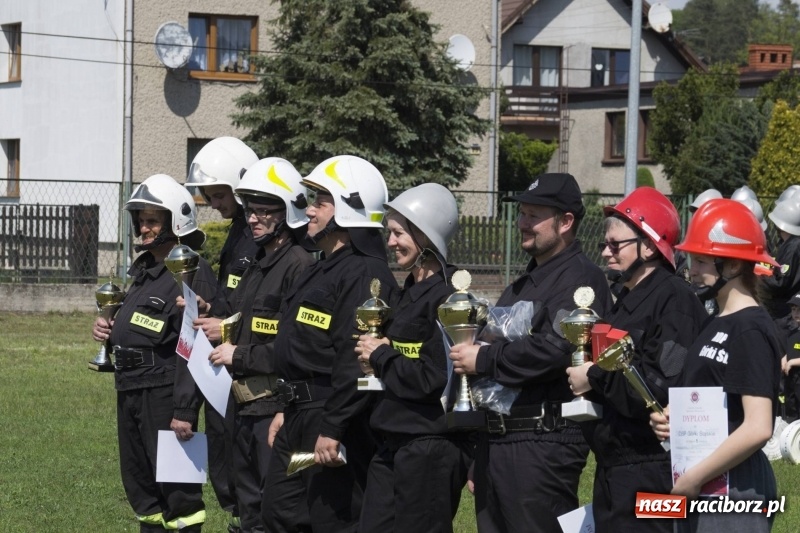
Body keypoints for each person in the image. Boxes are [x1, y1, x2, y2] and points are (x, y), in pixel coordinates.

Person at [448, 173, 612, 533]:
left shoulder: (581, 281)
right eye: (522, 213)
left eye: (534, 215)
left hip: (543, 442)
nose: (523, 223)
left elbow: (555, 349)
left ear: (566, 221)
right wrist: (483, 451)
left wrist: (484, 359)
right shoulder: (520, 285)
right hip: (500, 442)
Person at [262, 155, 398, 533]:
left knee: (332, 519)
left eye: (320, 201)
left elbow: (354, 358)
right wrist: (283, 407)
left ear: (349, 210)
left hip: (332, 417)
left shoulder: (364, 274)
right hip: (298, 413)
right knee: (280, 514)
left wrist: (334, 426)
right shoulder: (323, 266)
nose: (309, 209)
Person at [566, 186, 708, 533]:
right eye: (605, 243)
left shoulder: (674, 299)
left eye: (616, 244)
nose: (606, 252)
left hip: (654, 469)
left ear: (649, 245)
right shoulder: (626, 299)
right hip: (615, 470)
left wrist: (593, 377)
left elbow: (662, 384)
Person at [92, 174, 218, 532]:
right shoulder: (144, 269)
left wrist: (184, 410)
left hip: (164, 395)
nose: (144, 229)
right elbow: (135, 323)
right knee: (141, 489)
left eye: (152, 221)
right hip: (130, 388)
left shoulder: (190, 271)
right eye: (141, 220)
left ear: (175, 223)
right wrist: (106, 328)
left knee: (178, 494)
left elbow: (194, 345)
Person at [650, 198, 782, 533]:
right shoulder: (716, 321)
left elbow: (758, 427)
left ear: (734, 266)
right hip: (702, 478)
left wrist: (694, 477)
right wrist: (672, 418)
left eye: (701, 260)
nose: (691, 268)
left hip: (733, 485)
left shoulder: (750, 328)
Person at [202, 158, 315, 532]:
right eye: (251, 210)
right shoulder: (256, 264)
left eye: (266, 211)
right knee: (247, 511)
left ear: (288, 214)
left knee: (278, 512)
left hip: (274, 411)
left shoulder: (299, 266)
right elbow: (246, 325)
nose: (253, 219)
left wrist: (240, 354)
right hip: (242, 408)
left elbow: (294, 347)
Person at [355, 183, 472, 533]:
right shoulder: (408, 292)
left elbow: (435, 377)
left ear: (426, 237)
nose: (390, 243)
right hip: (392, 444)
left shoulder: (449, 300)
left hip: (429, 449)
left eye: (398, 233)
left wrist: (382, 356)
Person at [185, 136, 259, 532]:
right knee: (226, 453)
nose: (213, 203)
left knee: (246, 459)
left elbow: (265, 306)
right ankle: (239, 517)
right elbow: (237, 296)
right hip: (227, 361)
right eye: (208, 196)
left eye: (218, 194)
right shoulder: (236, 233)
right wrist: (214, 310)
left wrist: (227, 324)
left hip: (251, 363)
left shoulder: (262, 237)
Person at [782, 292, 800, 422]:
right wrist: (784, 359)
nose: (796, 313)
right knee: (791, 410)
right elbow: (790, 351)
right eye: (794, 309)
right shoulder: (793, 332)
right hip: (791, 380)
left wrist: (793, 362)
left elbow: (794, 358)